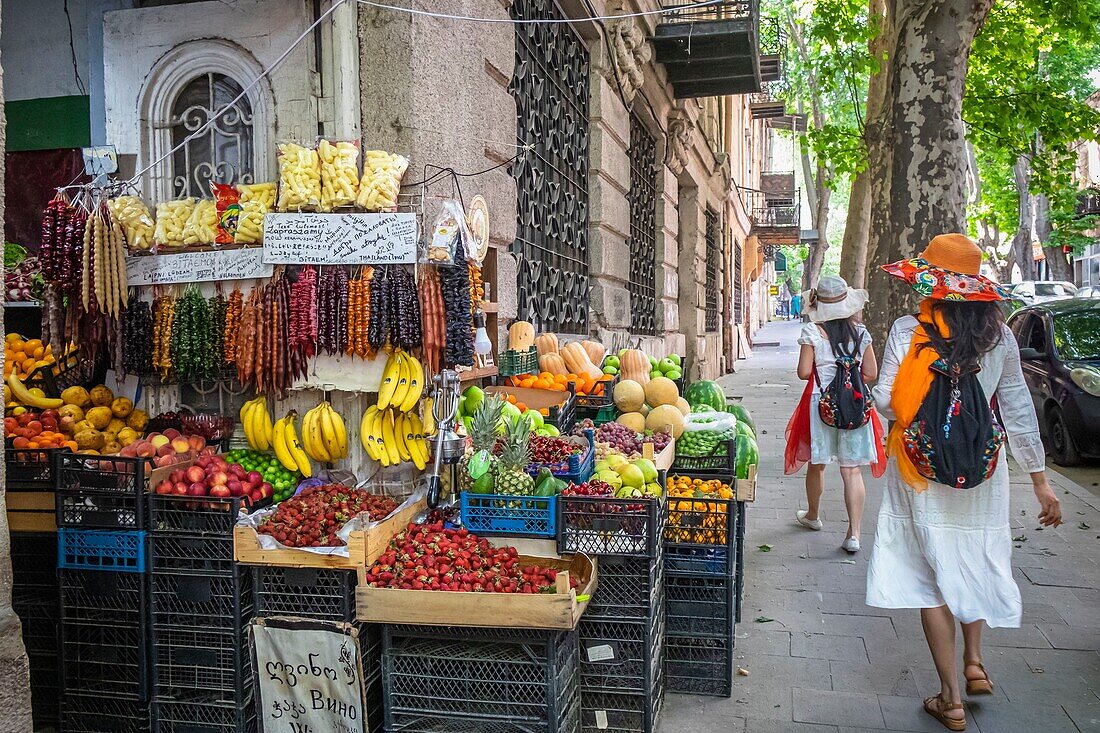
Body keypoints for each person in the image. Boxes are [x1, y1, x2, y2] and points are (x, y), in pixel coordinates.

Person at [866, 234, 1063, 731]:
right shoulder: (1001, 337)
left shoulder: (909, 329)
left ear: (931, 281)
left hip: (919, 467)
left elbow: (889, 401)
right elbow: (1017, 409)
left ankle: (950, 698)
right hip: (983, 471)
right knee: (973, 556)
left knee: (927, 573)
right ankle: (974, 661)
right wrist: (1040, 480)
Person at [784, 275, 883, 553]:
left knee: (818, 463)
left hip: (822, 406)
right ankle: (854, 534)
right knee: (851, 470)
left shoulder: (813, 332)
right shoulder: (861, 332)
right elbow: (871, 373)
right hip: (854, 404)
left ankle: (813, 516)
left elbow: (804, 372)